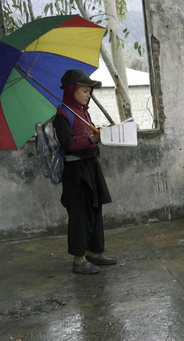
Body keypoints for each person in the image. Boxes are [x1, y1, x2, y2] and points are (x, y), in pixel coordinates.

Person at [53, 69, 116, 275]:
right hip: (76, 171)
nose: (88, 94)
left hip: (91, 166)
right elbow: (68, 143)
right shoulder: (63, 114)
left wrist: (97, 133)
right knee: (80, 213)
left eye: (90, 91)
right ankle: (79, 259)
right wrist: (91, 139)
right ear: (72, 90)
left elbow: (85, 133)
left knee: (94, 210)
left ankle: (94, 252)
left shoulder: (82, 111)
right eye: (84, 90)